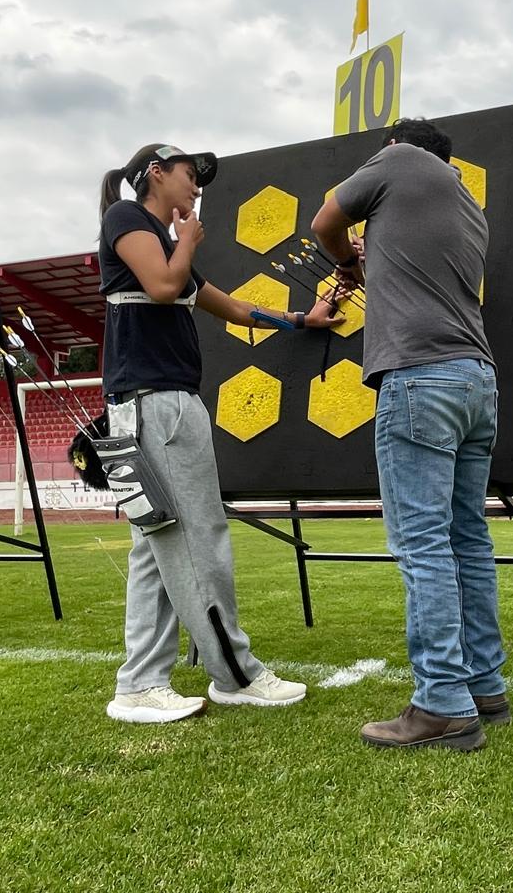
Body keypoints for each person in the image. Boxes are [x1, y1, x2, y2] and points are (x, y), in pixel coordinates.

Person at [98, 142, 342, 723]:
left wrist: (301, 319)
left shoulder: (164, 243)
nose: (197, 187)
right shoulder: (128, 218)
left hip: (152, 406)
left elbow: (229, 308)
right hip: (156, 406)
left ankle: (139, 684)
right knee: (198, 538)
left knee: (155, 548)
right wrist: (187, 239)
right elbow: (162, 286)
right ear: (154, 173)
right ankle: (234, 676)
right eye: (190, 175)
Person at [311, 118, 507, 751]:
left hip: (419, 378)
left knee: (422, 543)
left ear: (396, 147)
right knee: (467, 539)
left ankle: (441, 704)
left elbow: (323, 222)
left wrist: (348, 259)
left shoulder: (399, 163)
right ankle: (484, 687)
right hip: (476, 380)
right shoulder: (467, 204)